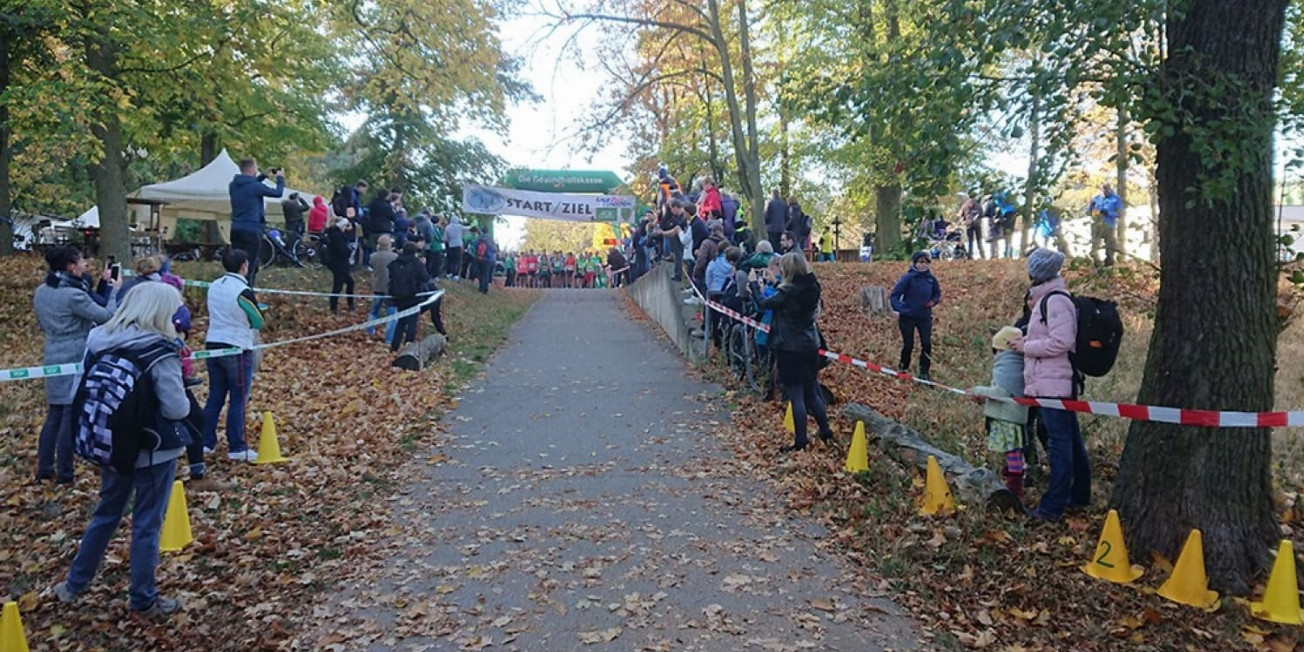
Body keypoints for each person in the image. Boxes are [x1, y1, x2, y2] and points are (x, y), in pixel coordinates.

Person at [51, 282, 190, 617]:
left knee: (106, 513)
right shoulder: (160, 350)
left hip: (108, 443)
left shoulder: (98, 340)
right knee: (146, 523)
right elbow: (176, 409)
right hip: (152, 450)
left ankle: (74, 583)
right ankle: (143, 598)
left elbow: (80, 389)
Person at [1010, 248, 1089, 522]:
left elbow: (1061, 341)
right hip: (1050, 381)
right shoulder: (1046, 300)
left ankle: (1052, 506)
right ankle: (1080, 494)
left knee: (1060, 443)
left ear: (1037, 272)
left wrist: (1025, 347)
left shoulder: (1055, 301)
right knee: (1071, 440)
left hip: (1055, 384)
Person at [33, 246, 119, 484]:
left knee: (55, 413)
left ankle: (45, 467)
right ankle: (65, 472)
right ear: (71, 266)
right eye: (81, 261)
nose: (85, 265)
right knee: (69, 414)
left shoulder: (42, 291)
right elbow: (107, 316)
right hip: (75, 354)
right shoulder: (73, 295)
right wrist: (113, 291)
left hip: (52, 350)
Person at [755, 252, 834, 452]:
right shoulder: (813, 287)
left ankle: (800, 440)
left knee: (796, 394)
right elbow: (785, 297)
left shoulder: (788, 292)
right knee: (811, 390)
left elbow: (764, 304)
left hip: (789, 347)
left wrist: (755, 287)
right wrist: (775, 285)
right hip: (810, 345)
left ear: (787, 270)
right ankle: (825, 430)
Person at [201, 250, 265, 462]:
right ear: (244, 266)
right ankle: (237, 445)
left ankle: (205, 441)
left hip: (213, 343)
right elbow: (258, 320)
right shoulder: (243, 290)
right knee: (238, 398)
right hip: (236, 347)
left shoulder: (214, 286)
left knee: (215, 395)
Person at [971, 325, 1030, 498]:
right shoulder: (1018, 364)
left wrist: (978, 390)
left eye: (996, 351)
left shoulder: (1008, 366)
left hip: (1007, 418)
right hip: (1015, 415)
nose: (995, 355)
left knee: (1012, 451)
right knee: (1014, 452)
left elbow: (1001, 392)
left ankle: (1015, 487)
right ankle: (1013, 476)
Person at [228, 158, 284, 285]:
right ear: (252, 169)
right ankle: (247, 295)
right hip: (252, 230)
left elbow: (249, 186)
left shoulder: (233, 185)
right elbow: (278, 193)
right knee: (250, 266)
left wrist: (263, 175)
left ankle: (234, 291)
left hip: (236, 228)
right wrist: (280, 178)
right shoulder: (255, 186)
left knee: (236, 265)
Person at [890, 252, 942, 381]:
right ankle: (903, 368)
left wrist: (933, 302)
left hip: (924, 317)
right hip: (908, 317)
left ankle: (924, 372)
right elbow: (895, 295)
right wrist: (900, 309)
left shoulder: (931, 279)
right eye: (920, 262)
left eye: (926, 262)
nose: (923, 265)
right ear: (915, 263)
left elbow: (937, 294)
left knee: (926, 344)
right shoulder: (908, 278)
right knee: (908, 344)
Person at [388, 242, 431, 352]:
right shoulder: (416, 263)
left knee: (401, 321)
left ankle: (394, 345)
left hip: (398, 295)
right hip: (413, 295)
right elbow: (425, 277)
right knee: (412, 321)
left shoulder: (395, 263)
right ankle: (409, 344)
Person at [367, 235, 399, 340]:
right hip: (390, 288)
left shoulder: (373, 256)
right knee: (392, 314)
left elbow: (371, 265)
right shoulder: (394, 257)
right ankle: (389, 338)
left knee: (374, 311)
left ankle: (369, 332)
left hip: (377, 287)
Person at [324, 218, 356, 314]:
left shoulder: (334, 234)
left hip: (337, 263)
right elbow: (342, 251)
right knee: (338, 285)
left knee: (349, 283)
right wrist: (349, 250)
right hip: (340, 264)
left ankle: (349, 304)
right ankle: (334, 307)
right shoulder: (338, 236)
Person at [1089, 183, 1122, 266]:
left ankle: (1109, 264)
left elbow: (1120, 213)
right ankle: (1096, 263)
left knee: (1110, 246)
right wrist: (1091, 207)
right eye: (1103, 189)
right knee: (1094, 246)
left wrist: (1108, 213)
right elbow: (1088, 212)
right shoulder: (1096, 199)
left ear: (1110, 189)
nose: (1105, 191)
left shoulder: (1115, 199)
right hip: (1097, 225)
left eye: (1107, 189)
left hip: (1109, 225)